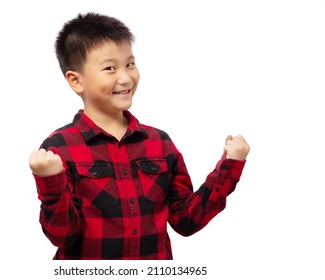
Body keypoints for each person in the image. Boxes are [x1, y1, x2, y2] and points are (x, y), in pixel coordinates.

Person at [29, 12, 250, 260]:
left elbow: (186, 221)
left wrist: (229, 168)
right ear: (76, 81)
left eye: (130, 64)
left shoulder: (160, 143)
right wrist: (49, 181)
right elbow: (63, 236)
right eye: (110, 68)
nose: (125, 77)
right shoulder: (59, 147)